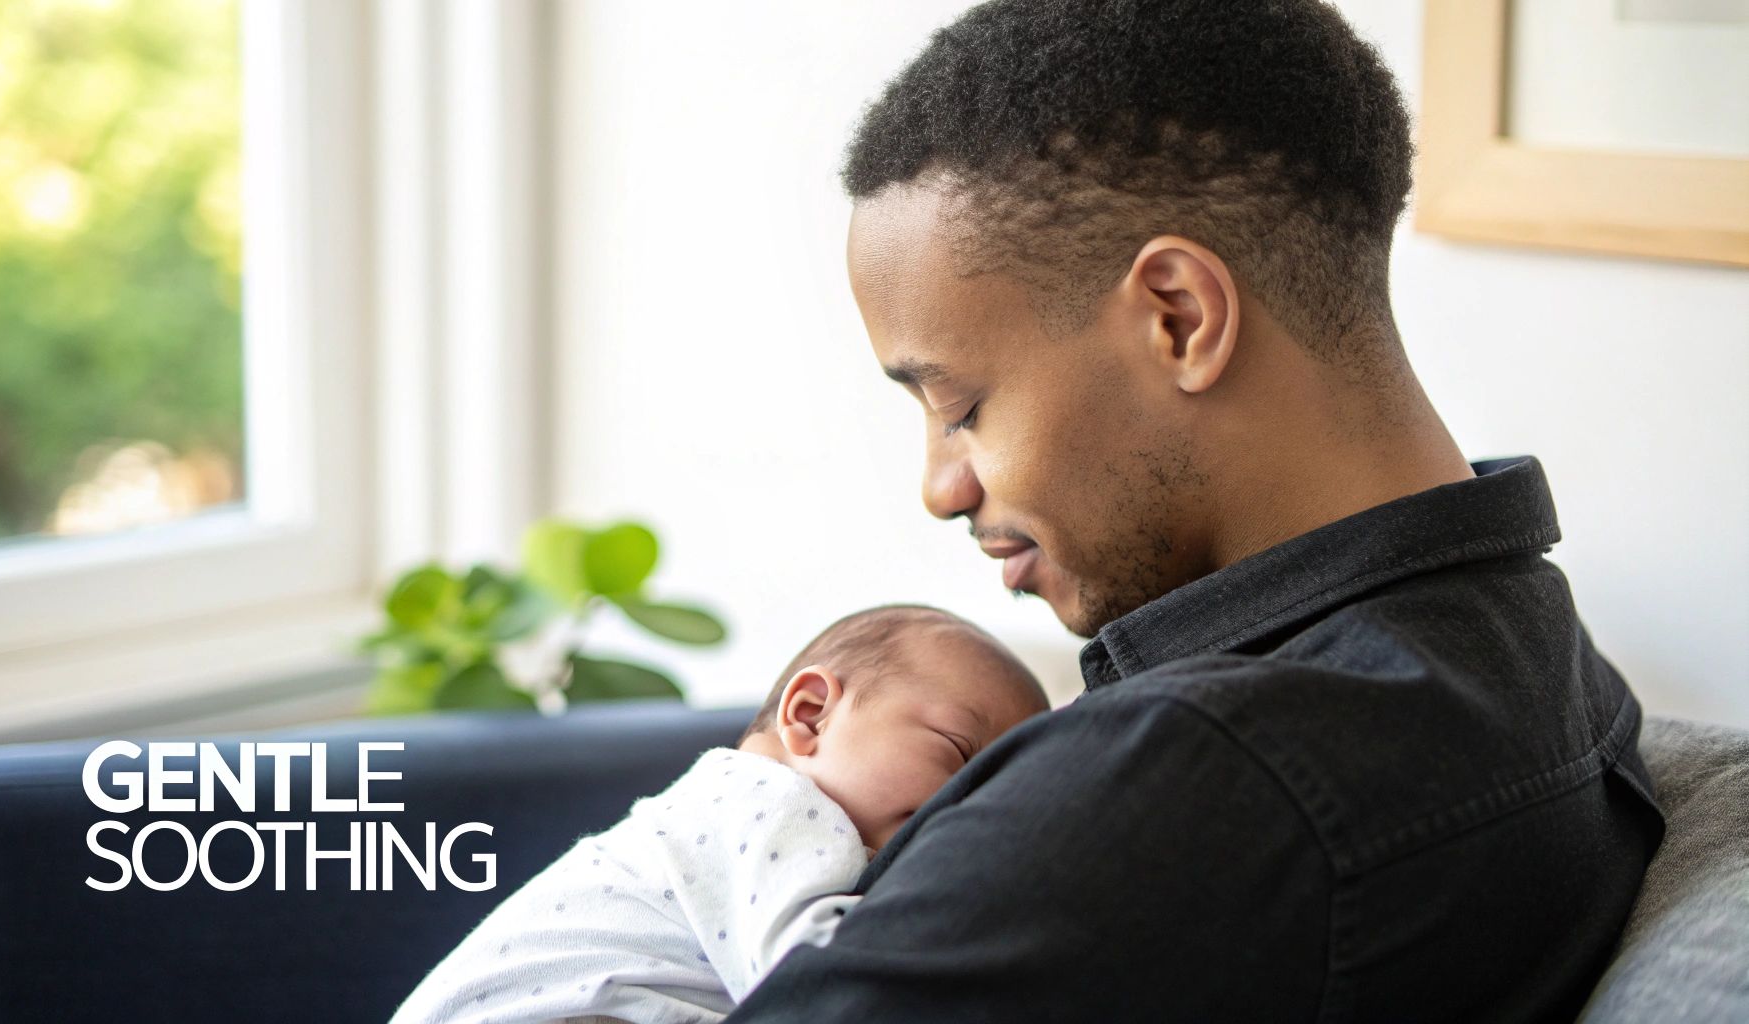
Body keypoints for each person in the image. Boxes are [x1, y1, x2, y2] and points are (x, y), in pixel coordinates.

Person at [722, 1, 1666, 1021]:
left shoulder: (1179, 784)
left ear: (1177, 317)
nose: (939, 487)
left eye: (962, 407)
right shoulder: (1538, 644)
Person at [389, 605, 1050, 1024]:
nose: (962, 804)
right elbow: (826, 974)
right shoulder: (773, 804)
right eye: (957, 753)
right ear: (811, 714)